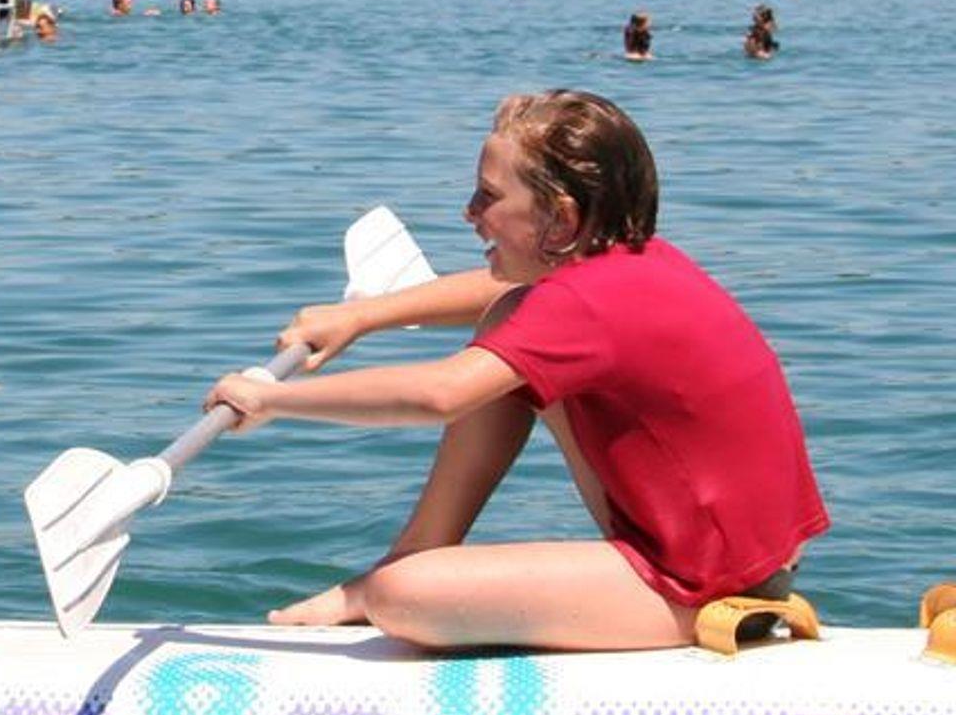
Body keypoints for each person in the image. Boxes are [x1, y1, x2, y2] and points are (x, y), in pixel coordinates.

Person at [203, 89, 828, 652]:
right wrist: (361, 318)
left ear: (561, 218)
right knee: (510, 320)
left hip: (705, 579)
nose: (468, 211)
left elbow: (441, 394)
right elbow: (497, 294)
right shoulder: (633, 265)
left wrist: (272, 399)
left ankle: (391, 582)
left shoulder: (587, 303)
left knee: (401, 597)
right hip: (746, 552)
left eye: (489, 196)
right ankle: (416, 553)